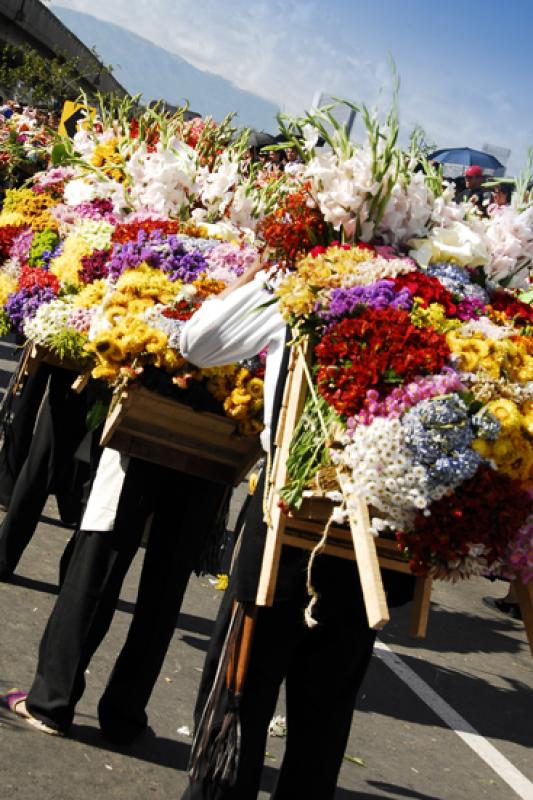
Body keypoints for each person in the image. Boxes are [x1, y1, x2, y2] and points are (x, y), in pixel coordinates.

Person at [179, 262, 414, 799]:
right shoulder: (429, 290)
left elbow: (198, 342)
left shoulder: (302, 279)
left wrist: (244, 283)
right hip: (376, 530)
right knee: (323, 715)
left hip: (289, 516)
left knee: (242, 689)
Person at [2, 442, 228, 742]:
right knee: (166, 582)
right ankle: (124, 715)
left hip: (147, 432)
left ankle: (53, 700)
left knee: (100, 559)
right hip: (213, 446)